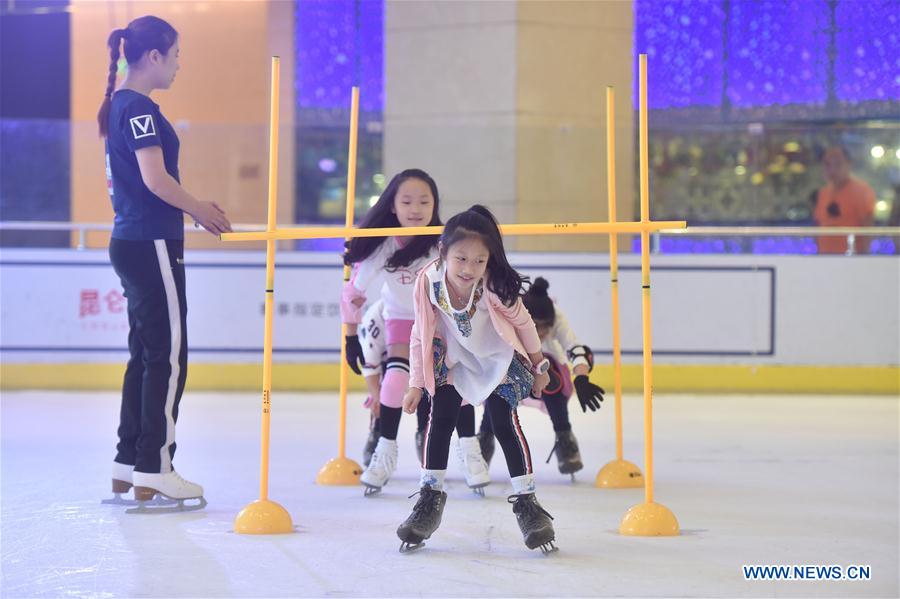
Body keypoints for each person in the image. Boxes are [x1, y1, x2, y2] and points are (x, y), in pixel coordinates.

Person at [98, 16, 231, 510]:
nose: (179, 65)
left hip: (133, 240)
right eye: (175, 55)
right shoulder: (140, 111)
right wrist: (200, 208)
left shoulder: (119, 106)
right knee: (169, 356)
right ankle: (155, 465)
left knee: (147, 355)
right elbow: (156, 180)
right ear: (153, 57)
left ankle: (127, 461)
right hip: (150, 243)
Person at [399, 205, 558, 554]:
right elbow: (419, 333)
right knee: (439, 418)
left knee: (503, 421)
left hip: (498, 358)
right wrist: (414, 382)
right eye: (461, 258)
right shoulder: (428, 280)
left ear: (489, 261)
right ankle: (429, 500)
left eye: (479, 260)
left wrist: (539, 366)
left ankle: (528, 506)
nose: (469, 269)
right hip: (455, 359)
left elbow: (525, 325)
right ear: (443, 252)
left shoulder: (496, 286)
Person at [341, 169, 446, 495]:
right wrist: (349, 335)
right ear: (393, 207)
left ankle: (431, 438)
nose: (416, 208)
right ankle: (385, 447)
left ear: (434, 206)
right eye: (407, 201)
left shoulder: (443, 243)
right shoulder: (384, 245)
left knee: (437, 384)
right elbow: (354, 292)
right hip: (400, 318)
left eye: (424, 201)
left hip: (437, 320)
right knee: (396, 377)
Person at [357, 293, 489, 494]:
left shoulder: (442, 305)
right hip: (399, 362)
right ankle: (382, 443)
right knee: (391, 383)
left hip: (432, 366)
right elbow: (370, 364)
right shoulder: (378, 316)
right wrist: (376, 397)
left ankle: (462, 445)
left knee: (455, 378)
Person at [479, 277, 604, 480]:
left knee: (553, 374)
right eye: (536, 326)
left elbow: (576, 348)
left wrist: (581, 378)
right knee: (497, 390)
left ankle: (565, 436)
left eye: (547, 327)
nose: (542, 332)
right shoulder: (512, 312)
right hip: (512, 366)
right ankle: (484, 440)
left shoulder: (557, 315)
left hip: (547, 370)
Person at [813, 146, 876, 254]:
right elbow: (819, 225)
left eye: (838, 164)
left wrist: (865, 259)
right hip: (825, 257)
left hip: (851, 257)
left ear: (848, 164)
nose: (832, 169)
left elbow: (867, 227)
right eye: (827, 164)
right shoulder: (823, 193)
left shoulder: (861, 191)